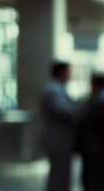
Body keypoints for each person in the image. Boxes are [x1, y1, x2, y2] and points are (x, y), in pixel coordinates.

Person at [40, 62, 79, 191]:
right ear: (61, 73)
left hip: (62, 140)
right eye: (68, 72)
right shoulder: (52, 90)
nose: (70, 75)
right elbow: (64, 111)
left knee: (62, 176)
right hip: (57, 140)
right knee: (58, 176)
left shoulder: (58, 89)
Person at [76, 73, 104, 191]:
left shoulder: (101, 102)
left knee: (96, 178)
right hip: (93, 146)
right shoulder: (96, 100)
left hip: (95, 146)